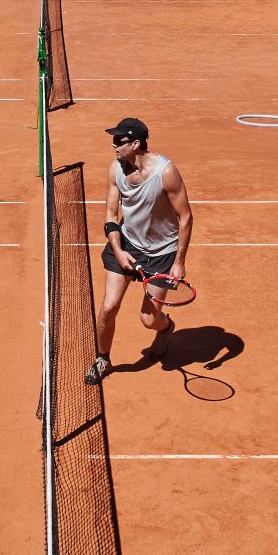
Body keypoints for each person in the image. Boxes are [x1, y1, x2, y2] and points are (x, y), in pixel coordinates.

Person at [88, 116, 193, 384]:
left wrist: (179, 262)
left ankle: (166, 327)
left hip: (161, 252)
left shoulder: (165, 172)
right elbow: (111, 215)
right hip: (127, 242)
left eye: (119, 140)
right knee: (109, 307)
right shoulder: (115, 169)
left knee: (149, 319)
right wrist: (118, 249)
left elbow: (185, 217)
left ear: (136, 144)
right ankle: (102, 359)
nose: (114, 145)